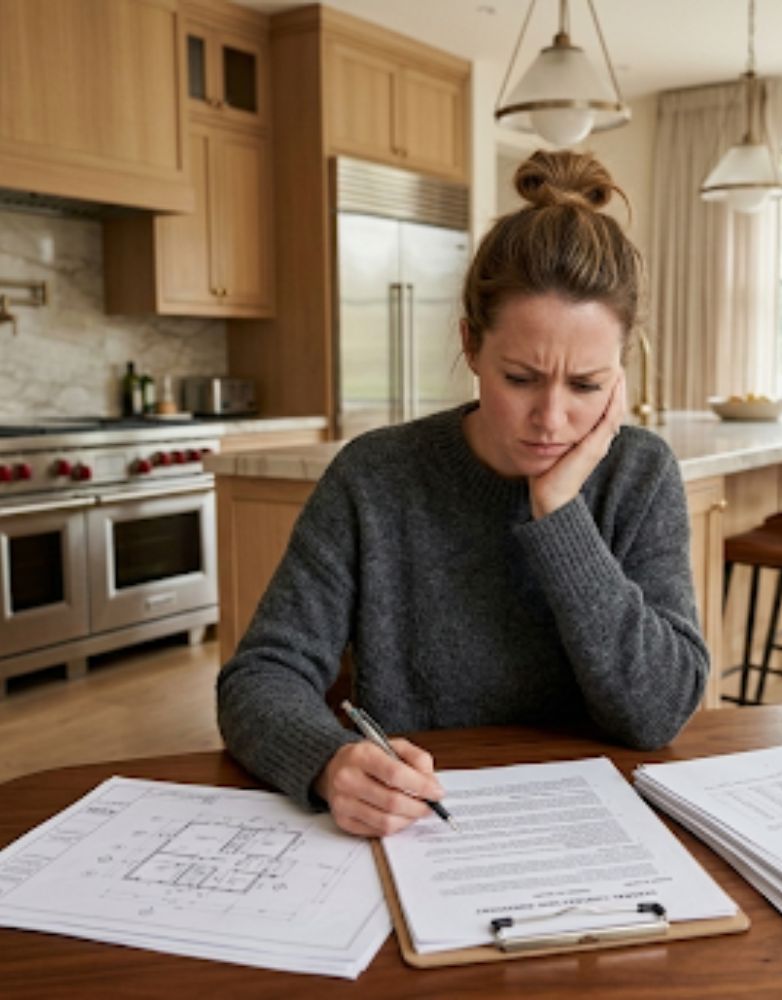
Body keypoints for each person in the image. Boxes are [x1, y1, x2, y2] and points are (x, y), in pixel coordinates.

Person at [217, 149, 709, 837]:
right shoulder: (376, 476)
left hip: (600, 833)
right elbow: (260, 675)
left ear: (621, 372)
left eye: (587, 385)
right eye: (520, 378)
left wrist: (560, 512)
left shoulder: (639, 475)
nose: (552, 418)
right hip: (421, 827)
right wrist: (328, 761)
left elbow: (657, 712)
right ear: (471, 346)